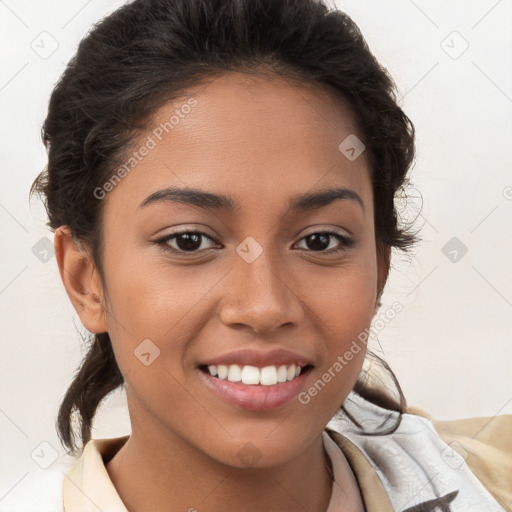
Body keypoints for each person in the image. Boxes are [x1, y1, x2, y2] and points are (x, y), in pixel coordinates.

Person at [28, 0, 512, 510]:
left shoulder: (490, 485)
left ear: (380, 270)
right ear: (86, 280)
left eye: (320, 240)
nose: (263, 307)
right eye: (189, 240)